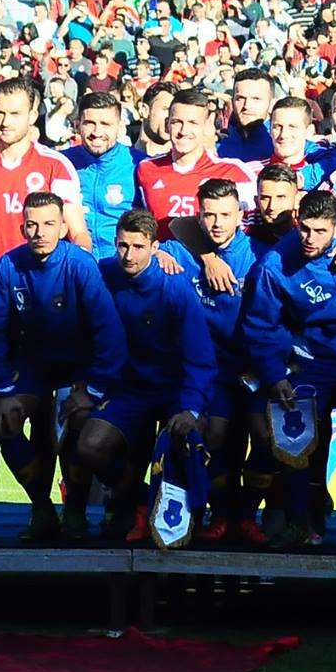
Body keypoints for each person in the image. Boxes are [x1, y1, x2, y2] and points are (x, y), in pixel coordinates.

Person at [243, 189, 336, 550]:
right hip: (313, 356)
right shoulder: (274, 265)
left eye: (321, 231)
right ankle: (300, 521)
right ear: (297, 223)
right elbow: (260, 326)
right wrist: (274, 375)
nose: (310, 238)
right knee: (295, 432)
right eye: (305, 229)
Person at [0, 190, 124, 541]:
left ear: (63, 227)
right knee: (4, 419)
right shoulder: (8, 266)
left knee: (79, 422)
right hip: (32, 369)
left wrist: (92, 389)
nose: (40, 232)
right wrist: (4, 388)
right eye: (32, 224)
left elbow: (109, 334)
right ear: (22, 228)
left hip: (78, 369)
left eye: (48, 224)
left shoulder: (80, 265)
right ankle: (41, 507)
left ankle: (75, 513)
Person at [71, 209, 213, 542]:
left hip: (173, 390)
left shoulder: (175, 288)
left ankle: (200, 513)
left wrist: (191, 408)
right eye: (123, 245)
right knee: (90, 447)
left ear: (154, 247)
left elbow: (200, 356)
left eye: (138, 247)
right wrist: (86, 385)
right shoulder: (103, 274)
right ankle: (138, 498)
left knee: (196, 437)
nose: (129, 255)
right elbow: (84, 336)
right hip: (127, 390)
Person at [164, 177, 271, 546]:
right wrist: (160, 256)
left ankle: (249, 512)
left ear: (240, 215)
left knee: (267, 439)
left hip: (255, 368)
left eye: (225, 215)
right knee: (214, 435)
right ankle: (222, 513)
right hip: (211, 371)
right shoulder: (180, 250)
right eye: (209, 215)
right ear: (199, 216)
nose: (217, 223)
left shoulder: (259, 254)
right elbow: (162, 237)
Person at [0, 76, 88, 278]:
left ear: (32, 115)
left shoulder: (56, 166)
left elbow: (78, 233)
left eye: (15, 114)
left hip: (42, 284)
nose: (5, 122)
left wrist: (76, 274)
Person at [134, 88, 255, 237]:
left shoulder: (234, 172)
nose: (183, 131)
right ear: (167, 125)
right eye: (177, 122)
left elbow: (253, 231)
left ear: (206, 126)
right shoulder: (146, 169)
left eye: (193, 123)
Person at [64, 90, 147, 258]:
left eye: (105, 124)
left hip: (124, 263)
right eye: (89, 123)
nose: (97, 132)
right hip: (76, 263)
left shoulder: (140, 165)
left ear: (120, 126)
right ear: (77, 125)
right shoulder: (62, 164)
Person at [217, 68, 277, 162]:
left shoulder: (281, 144)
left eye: (256, 99)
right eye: (240, 98)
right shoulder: (219, 147)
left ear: (272, 104)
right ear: (232, 101)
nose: (246, 106)